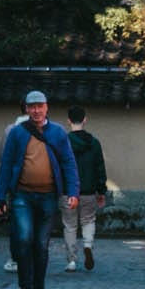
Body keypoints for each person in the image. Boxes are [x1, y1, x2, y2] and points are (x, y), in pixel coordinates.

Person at [0, 90, 79, 289]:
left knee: (41, 245)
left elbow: (69, 162)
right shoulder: (17, 133)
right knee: (23, 240)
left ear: (47, 107)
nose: (36, 111)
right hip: (22, 194)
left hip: (48, 195)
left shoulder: (58, 132)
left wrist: (73, 191)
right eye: (32, 107)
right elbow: (6, 164)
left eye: (40, 106)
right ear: (26, 109)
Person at [61, 105, 107, 271]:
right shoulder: (94, 143)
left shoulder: (63, 142)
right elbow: (100, 168)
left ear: (68, 121)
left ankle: (71, 261)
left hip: (68, 191)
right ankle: (88, 245)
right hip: (88, 190)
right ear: (85, 120)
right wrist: (101, 190)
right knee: (88, 220)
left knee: (69, 225)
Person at [0, 97, 29, 272]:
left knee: (17, 222)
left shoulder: (10, 130)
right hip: (41, 184)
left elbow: (2, 157)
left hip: (15, 183)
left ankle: (16, 258)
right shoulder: (47, 129)